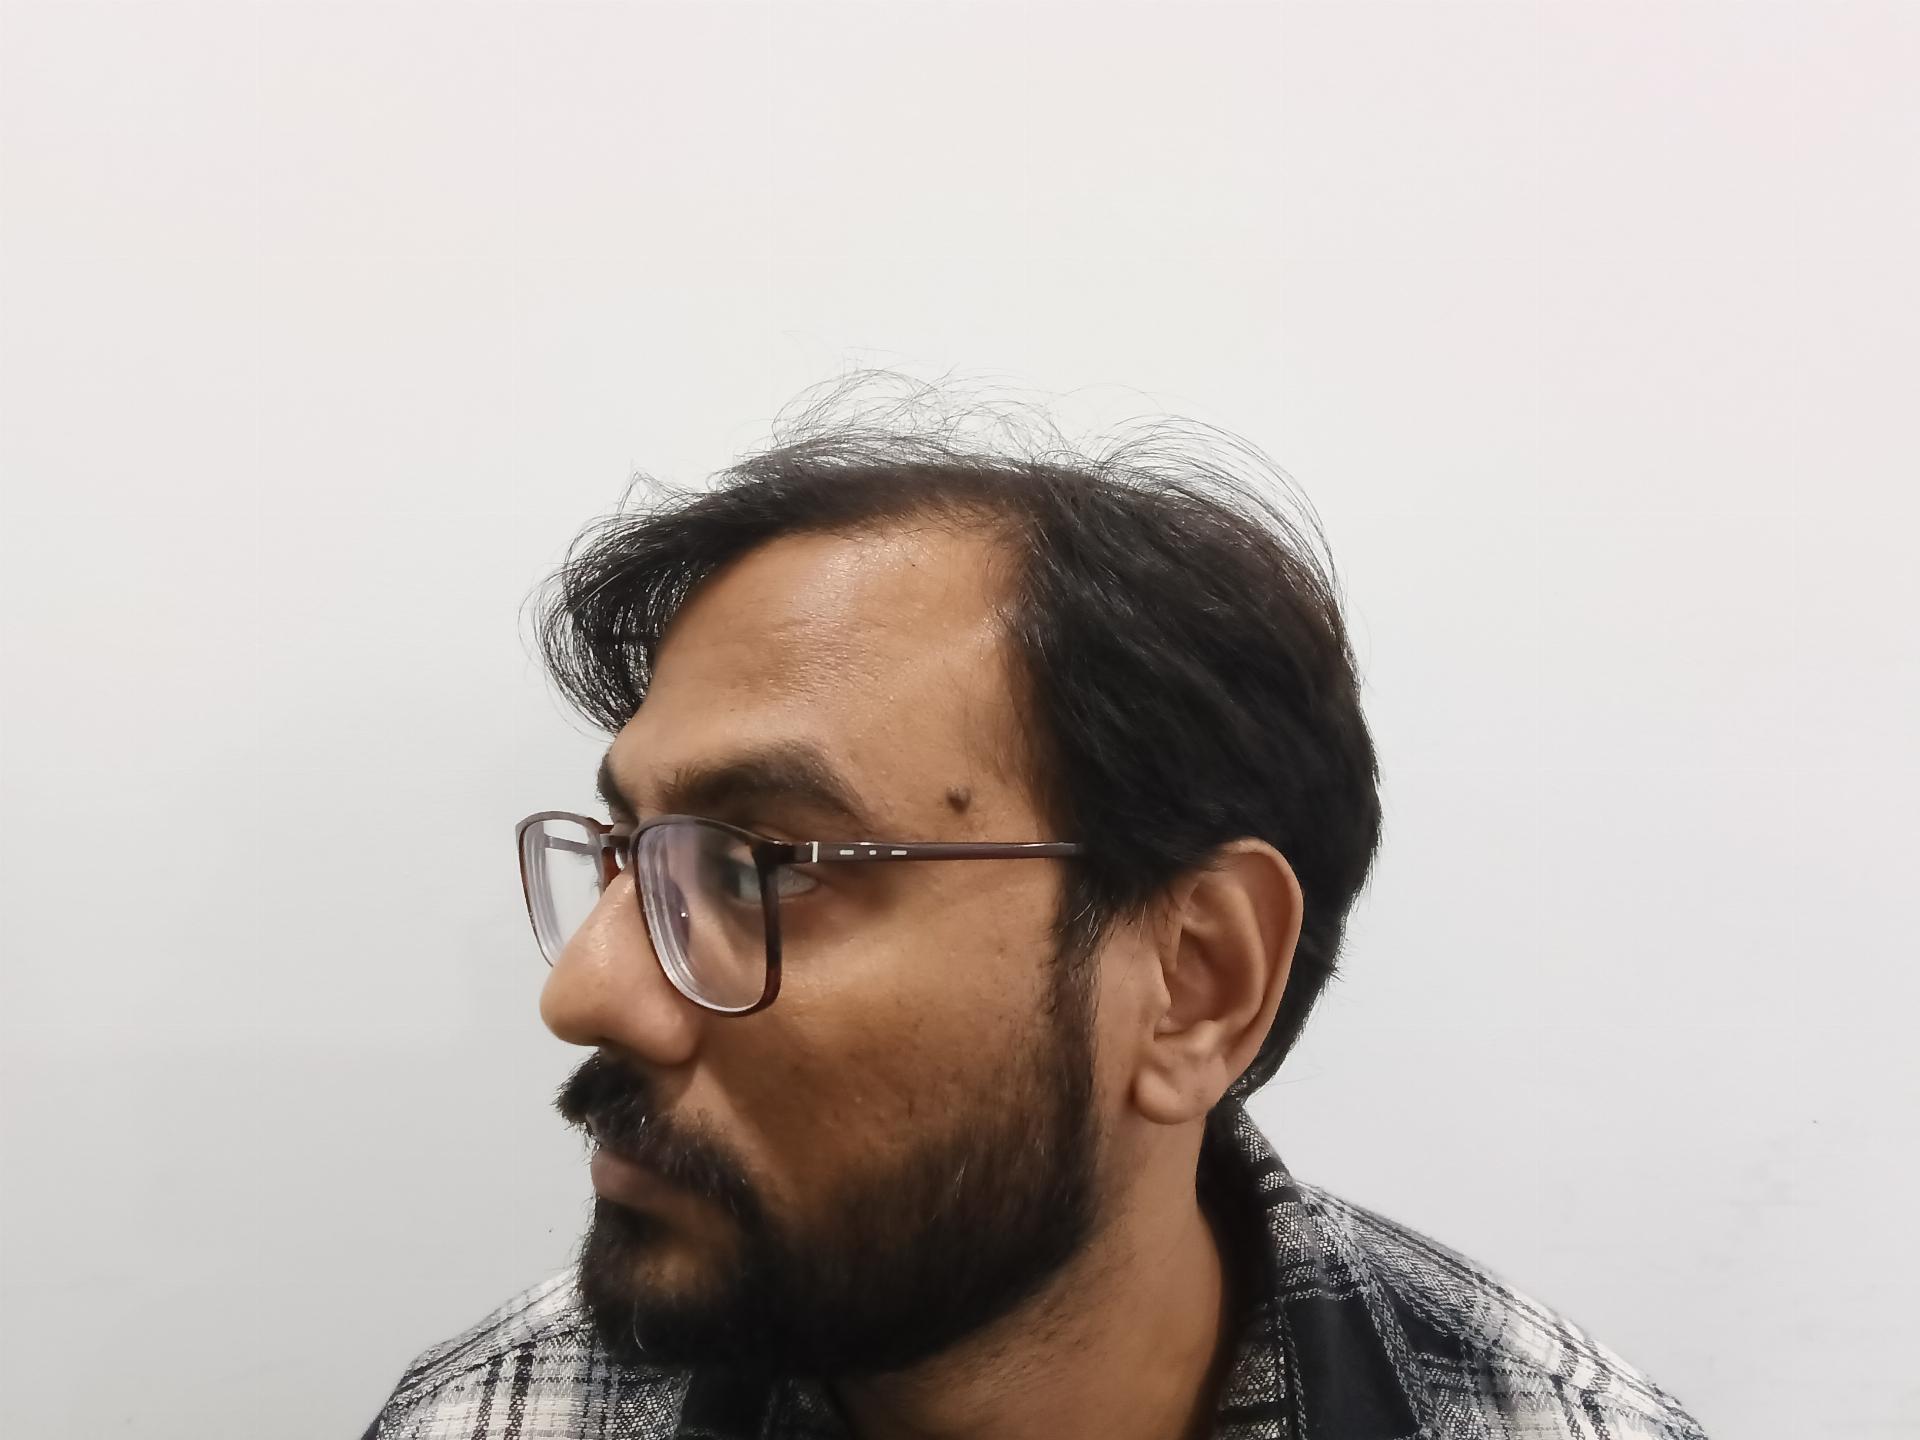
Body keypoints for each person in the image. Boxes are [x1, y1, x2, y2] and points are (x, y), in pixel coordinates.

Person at [362, 395, 1708, 1440]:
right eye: (627, 856)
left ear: (1194, 981)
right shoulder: (490, 1418)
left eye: (763, 865)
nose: (585, 992)